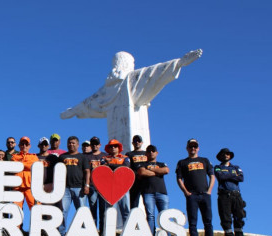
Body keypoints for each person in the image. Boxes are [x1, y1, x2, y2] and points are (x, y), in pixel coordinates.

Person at [60, 49, 203, 150]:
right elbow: (90, 102)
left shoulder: (123, 83)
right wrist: (73, 111)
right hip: (116, 136)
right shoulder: (122, 83)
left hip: (135, 128)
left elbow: (153, 72)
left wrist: (179, 63)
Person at [176, 139, 218, 236]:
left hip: (205, 194)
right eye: (190, 146)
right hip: (192, 196)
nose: (193, 149)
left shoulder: (204, 160)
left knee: (208, 221)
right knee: (193, 222)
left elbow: (212, 175)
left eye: (195, 146)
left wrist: (209, 191)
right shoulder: (182, 162)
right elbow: (179, 178)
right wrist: (185, 192)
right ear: (187, 148)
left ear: (198, 148)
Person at [215, 148, 246, 236]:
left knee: (239, 219)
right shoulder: (218, 167)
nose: (226, 155)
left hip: (236, 195)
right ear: (220, 156)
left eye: (227, 154)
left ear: (230, 156)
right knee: (226, 220)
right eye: (224, 154)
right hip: (224, 196)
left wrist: (228, 175)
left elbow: (241, 178)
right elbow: (220, 176)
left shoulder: (236, 167)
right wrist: (233, 176)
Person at [137, 145, 170, 236]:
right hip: (148, 192)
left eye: (153, 151)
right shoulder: (142, 164)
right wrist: (157, 172)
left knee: (164, 216)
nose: (151, 152)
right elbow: (142, 172)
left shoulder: (161, 163)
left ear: (157, 153)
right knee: (150, 216)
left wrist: (150, 172)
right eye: (149, 151)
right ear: (146, 153)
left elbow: (166, 170)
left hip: (162, 192)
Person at [58, 136, 89, 236]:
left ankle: (84, 234)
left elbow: (87, 172)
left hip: (79, 188)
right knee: (63, 212)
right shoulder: (62, 157)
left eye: (73, 143)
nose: (71, 145)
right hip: (65, 188)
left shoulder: (82, 157)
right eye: (69, 143)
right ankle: (61, 235)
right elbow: (57, 172)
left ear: (77, 144)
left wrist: (87, 185)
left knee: (82, 211)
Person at [101, 139, 131, 223]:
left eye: (115, 146)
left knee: (125, 210)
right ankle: (109, 233)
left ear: (119, 148)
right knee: (110, 211)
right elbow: (104, 168)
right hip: (110, 187)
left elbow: (125, 168)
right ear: (108, 148)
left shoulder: (125, 158)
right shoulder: (104, 158)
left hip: (123, 186)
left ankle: (128, 232)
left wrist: (110, 164)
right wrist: (118, 166)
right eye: (111, 146)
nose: (113, 148)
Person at [11, 137, 39, 211]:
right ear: (19, 145)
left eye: (26, 144)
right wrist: (27, 165)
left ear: (29, 146)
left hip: (30, 187)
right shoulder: (14, 156)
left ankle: (37, 222)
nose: (24, 146)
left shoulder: (34, 156)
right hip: (17, 187)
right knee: (16, 210)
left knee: (36, 208)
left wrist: (21, 164)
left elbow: (34, 166)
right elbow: (14, 166)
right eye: (22, 144)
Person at [85, 137, 107, 230]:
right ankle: (93, 231)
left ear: (100, 145)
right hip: (92, 186)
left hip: (103, 187)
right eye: (93, 144)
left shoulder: (105, 156)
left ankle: (102, 232)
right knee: (92, 209)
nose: (95, 145)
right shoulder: (86, 156)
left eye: (96, 144)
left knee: (103, 210)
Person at [126, 135, 148, 208]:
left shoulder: (147, 153)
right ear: (132, 143)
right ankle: (134, 218)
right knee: (134, 203)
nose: (137, 143)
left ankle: (147, 219)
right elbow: (128, 167)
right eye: (135, 141)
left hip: (146, 181)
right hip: (135, 181)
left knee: (147, 202)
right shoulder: (129, 154)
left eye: (139, 141)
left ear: (142, 143)